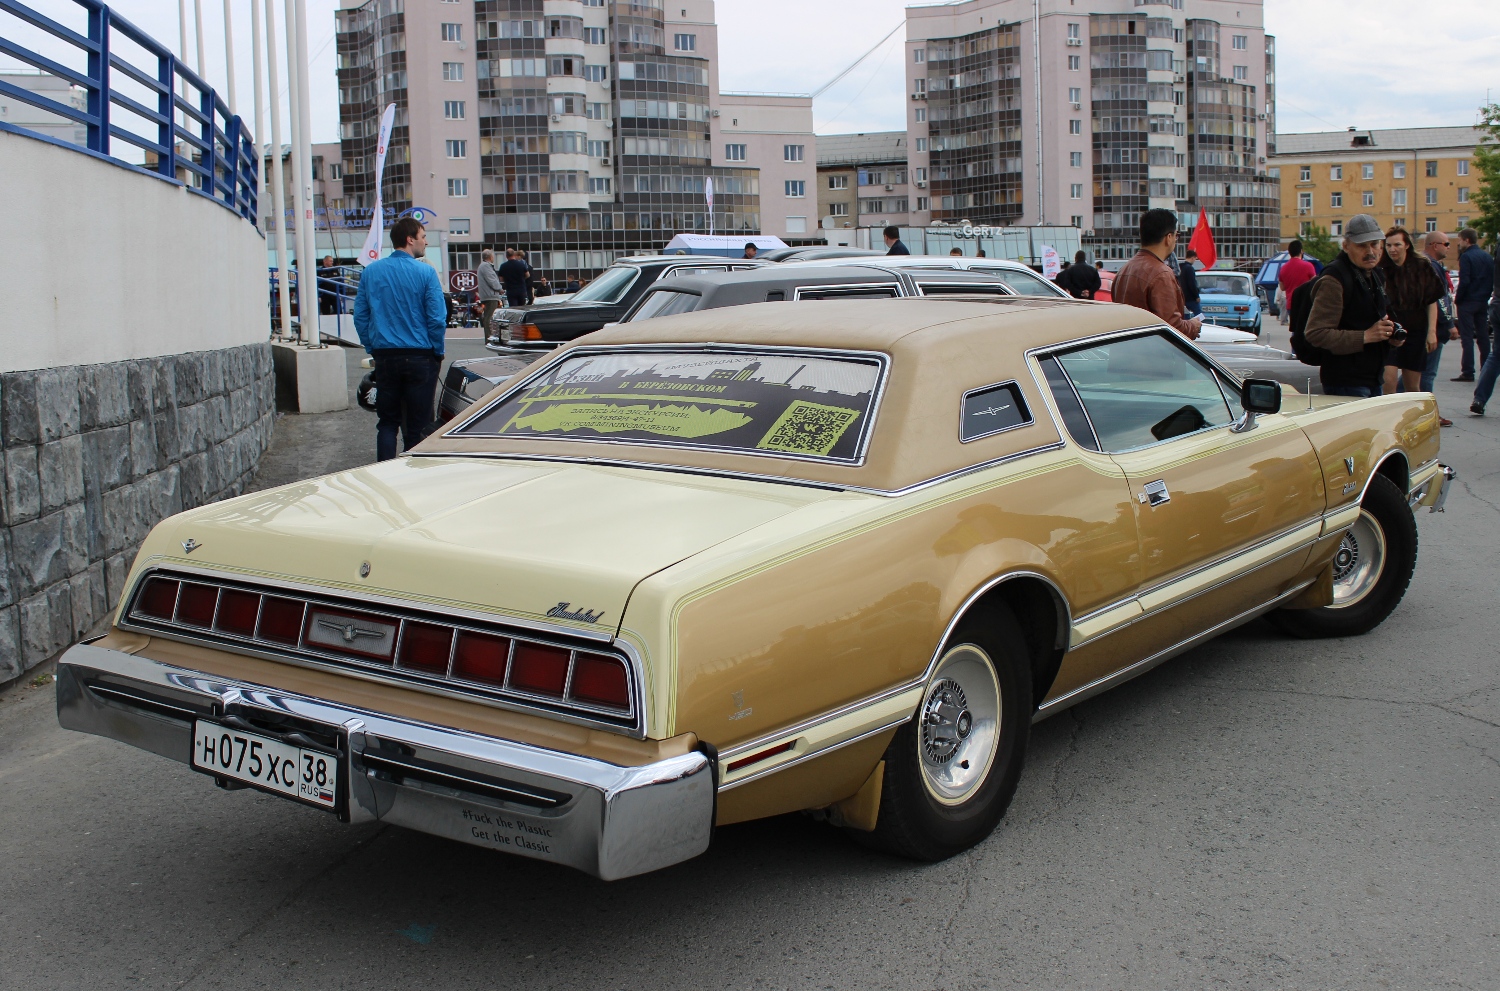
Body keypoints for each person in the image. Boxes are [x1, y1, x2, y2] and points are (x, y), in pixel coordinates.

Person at [352, 217, 446, 462]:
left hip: (385, 356)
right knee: (418, 424)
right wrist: (438, 350)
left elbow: (361, 316)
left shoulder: (371, 272)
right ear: (410, 239)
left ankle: (384, 471)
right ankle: (413, 477)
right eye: (423, 236)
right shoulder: (426, 272)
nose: (425, 242)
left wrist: (372, 346)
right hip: (420, 356)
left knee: (387, 422)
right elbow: (436, 318)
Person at [1302, 214, 1394, 398]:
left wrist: (1390, 335)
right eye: (1361, 245)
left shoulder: (1374, 274)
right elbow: (1316, 333)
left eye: (1375, 244)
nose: (1370, 251)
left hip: (1372, 377)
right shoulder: (1334, 279)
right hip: (1345, 382)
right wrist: (1366, 336)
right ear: (1346, 246)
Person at [1111, 208, 1202, 340]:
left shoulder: (1124, 270)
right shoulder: (1161, 274)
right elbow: (1172, 327)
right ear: (1169, 238)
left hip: (1125, 352)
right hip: (1152, 356)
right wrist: (1193, 326)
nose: (1176, 241)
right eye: (1176, 236)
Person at [1377, 226, 1444, 397]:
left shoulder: (1421, 266)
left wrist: (1432, 332)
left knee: (1413, 386)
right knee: (1389, 382)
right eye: (1389, 245)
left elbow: (1432, 301)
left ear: (1406, 245)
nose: (1392, 249)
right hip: (1390, 331)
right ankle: (1389, 421)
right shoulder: (1381, 268)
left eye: (1397, 245)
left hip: (1416, 329)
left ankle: (1411, 420)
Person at [1420, 231, 1458, 422]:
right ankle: (1428, 415)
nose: (1449, 247)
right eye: (1446, 244)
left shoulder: (1426, 264)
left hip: (1427, 326)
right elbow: (1439, 299)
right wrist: (1449, 324)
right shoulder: (1431, 266)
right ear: (1434, 245)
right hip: (1432, 327)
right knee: (1427, 372)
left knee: (1419, 371)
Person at [1453, 227, 1495, 381]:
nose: (1459, 243)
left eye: (1460, 240)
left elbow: (1464, 281)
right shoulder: (1487, 256)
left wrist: (1458, 298)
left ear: (1466, 240)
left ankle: (1468, 371)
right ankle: (1486, 369)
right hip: (1482, 300)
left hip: (1468, 301)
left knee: (1467, 337)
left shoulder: (1466, 257)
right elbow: (1492, 279)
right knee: (1483, 336)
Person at [1278, 240, 1317, 327]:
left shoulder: (1283, 268)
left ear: (1289, 252)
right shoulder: (1308, 266)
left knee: (1295, 328)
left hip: (1291, 304)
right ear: (1301, 251)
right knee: (1307, 328)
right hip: (1306, 303)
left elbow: (1282, 287)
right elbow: (1315, 284)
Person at [476, 249, 503, 340]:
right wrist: (499, 288)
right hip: (490, 295)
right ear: (490, 257)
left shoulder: (482, 266)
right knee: (489, 317)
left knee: (488, 316)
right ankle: (489, 337)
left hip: (487, 295)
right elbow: (492, 280)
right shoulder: (486, 266)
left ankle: (489, 336)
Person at [1178, 248, 1202, 317]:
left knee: (1185, 316)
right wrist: (1196, 296)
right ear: (1192, 258)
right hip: (1191, 298)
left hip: (1182, 297)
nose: (1194, 261)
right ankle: (1200, 327)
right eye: (1195, 259)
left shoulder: (1180, 267)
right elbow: (1192, 284)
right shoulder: (1190, 268)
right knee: (1199, 315)